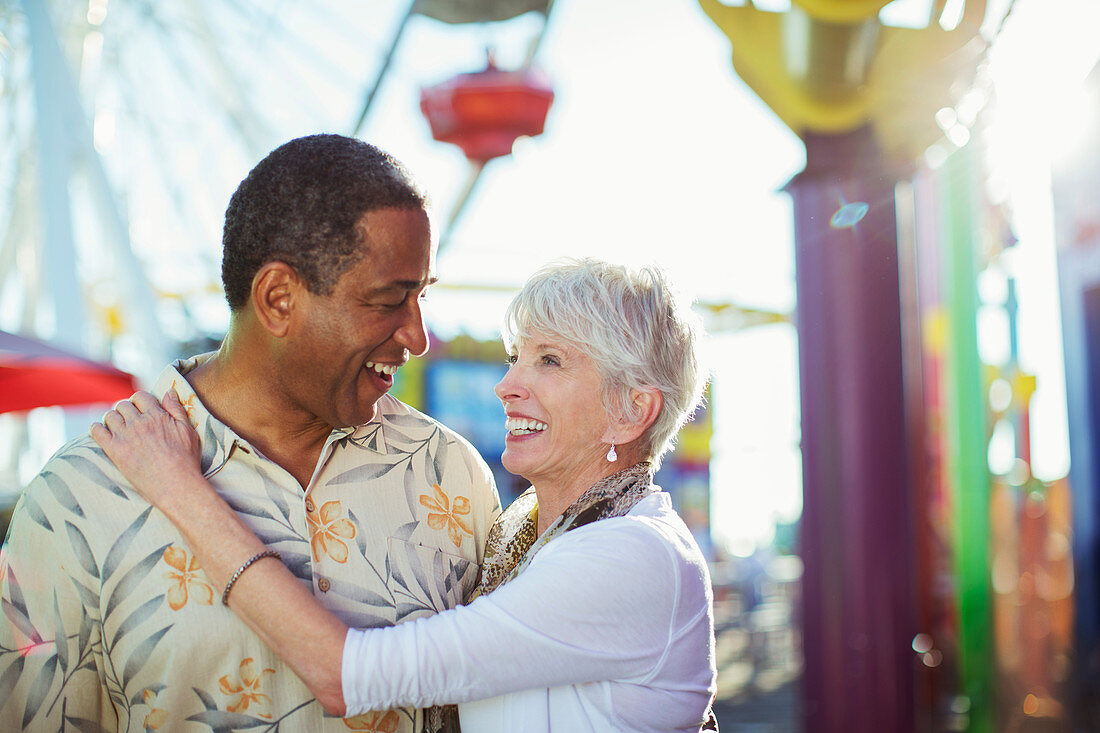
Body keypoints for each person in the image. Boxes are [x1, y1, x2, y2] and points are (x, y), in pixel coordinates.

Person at [0, 134, 500, 733]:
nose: (417, 337)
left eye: (423, 295)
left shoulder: (452, 474)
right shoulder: (76, 504)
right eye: (390, 300)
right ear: (278, 298)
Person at [92, 258, 719, 732]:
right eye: (515, 357)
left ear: (632, 410)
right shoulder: (533, 534)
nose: (507, 386)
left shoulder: (632, 556)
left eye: (549, 361)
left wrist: (180, 489)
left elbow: (347, 674)